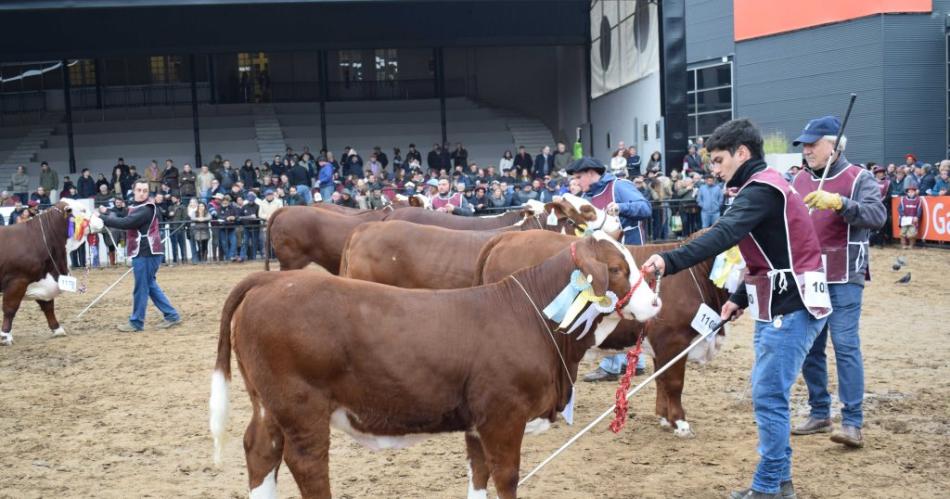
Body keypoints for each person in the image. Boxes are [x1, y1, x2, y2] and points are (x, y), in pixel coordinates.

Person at [640, 118, 830, 499]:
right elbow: (771, 253)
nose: (714, 168)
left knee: (768, 395)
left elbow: (723, 235)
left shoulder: (760, 190)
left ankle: (767, 488)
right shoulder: (765, 186)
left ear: (742, 154)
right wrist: (739, 297)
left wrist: (669, 261)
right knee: (769, 394)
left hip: (789, 305)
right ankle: (779, 484)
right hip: (780, 301)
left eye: (719, 159)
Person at [789, 116, 886, 449]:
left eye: (813, 144)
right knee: (809, 348)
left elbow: (877, 216)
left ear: (834, 145)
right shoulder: (799, 180)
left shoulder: (860, 177)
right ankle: (819, 411)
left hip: (845, 275)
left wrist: (841, 204)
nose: (807, 150)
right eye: (804, 145)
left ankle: (853, 422)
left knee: (845, 346)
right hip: (809, 276)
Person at [567, 156, 652, 383]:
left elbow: (645, 208)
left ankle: (612, 365)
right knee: (616, 304)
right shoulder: (586, 197)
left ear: (590, 173)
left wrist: (621, 207)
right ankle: (635, 361)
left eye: (578, 177)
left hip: (630, 254)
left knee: (614, 305)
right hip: (606, 260)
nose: (576, 182)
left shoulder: (619, 187)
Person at [98, 179, 182, 332]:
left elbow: (125, 223)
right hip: (146, 252)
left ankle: (136, 322)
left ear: (148, 192)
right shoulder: (138, 207)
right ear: (134, 190)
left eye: (144, 190)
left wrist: (102, 219)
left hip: (146, 252)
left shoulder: (146, 209)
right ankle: (172, 315)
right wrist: (107, 213)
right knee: (149, 285)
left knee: (141, 287)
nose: (142, 193)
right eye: (139, 190)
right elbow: (123, 217)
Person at [897, 183, 922, 249]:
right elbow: (899, 209)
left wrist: (917, 217)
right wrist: (903, 215)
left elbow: (919, 210)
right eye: (909, 192)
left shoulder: (918, 200)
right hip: (905, 219)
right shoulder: (903, 200)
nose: (911, 193)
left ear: (915, 192)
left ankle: (911, 245)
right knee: (902, 233)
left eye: (912, 192)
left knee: (912, 234)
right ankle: (903, 245)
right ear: (907, 193)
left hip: (913, 219)